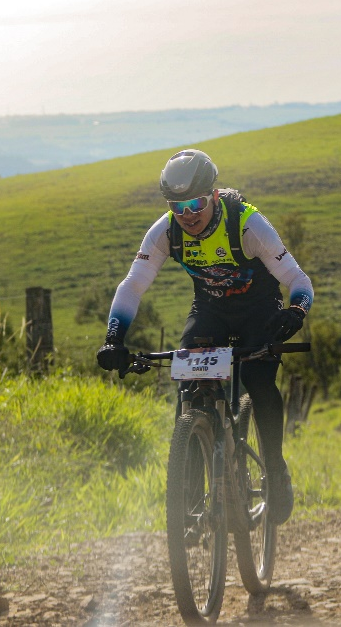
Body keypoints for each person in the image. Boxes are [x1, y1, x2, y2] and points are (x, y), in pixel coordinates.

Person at [96, 148, 314, 525]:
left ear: (213, 195)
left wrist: (296, 311)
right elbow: (132, 286)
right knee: (189, 381)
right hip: (210, 311)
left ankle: (275, 469)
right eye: (178, 206)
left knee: (259, 381)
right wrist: (114, 337)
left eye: (196, 203)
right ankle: (191, 477)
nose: (188, 215)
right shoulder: (165, 231)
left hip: (259, 310)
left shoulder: (248, 224)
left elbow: (298, 280)